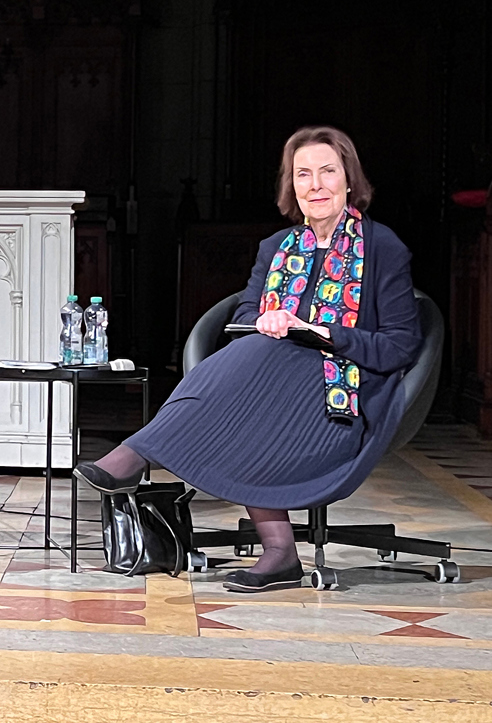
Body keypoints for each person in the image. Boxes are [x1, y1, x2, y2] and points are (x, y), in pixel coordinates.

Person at [75, 125, 421, 593]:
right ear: (290, 185)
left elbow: (401, 345)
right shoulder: (276, 249)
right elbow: (244, 318)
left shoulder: (382, 247)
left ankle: (137, 454)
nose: (315, 184)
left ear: (350, 180)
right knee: (256, 352)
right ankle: (279, 554)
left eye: (327, 172)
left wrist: (323, 332)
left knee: (256, 367)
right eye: (303, 174)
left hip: (344, 394)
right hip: (275, 385)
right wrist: (272, 322)